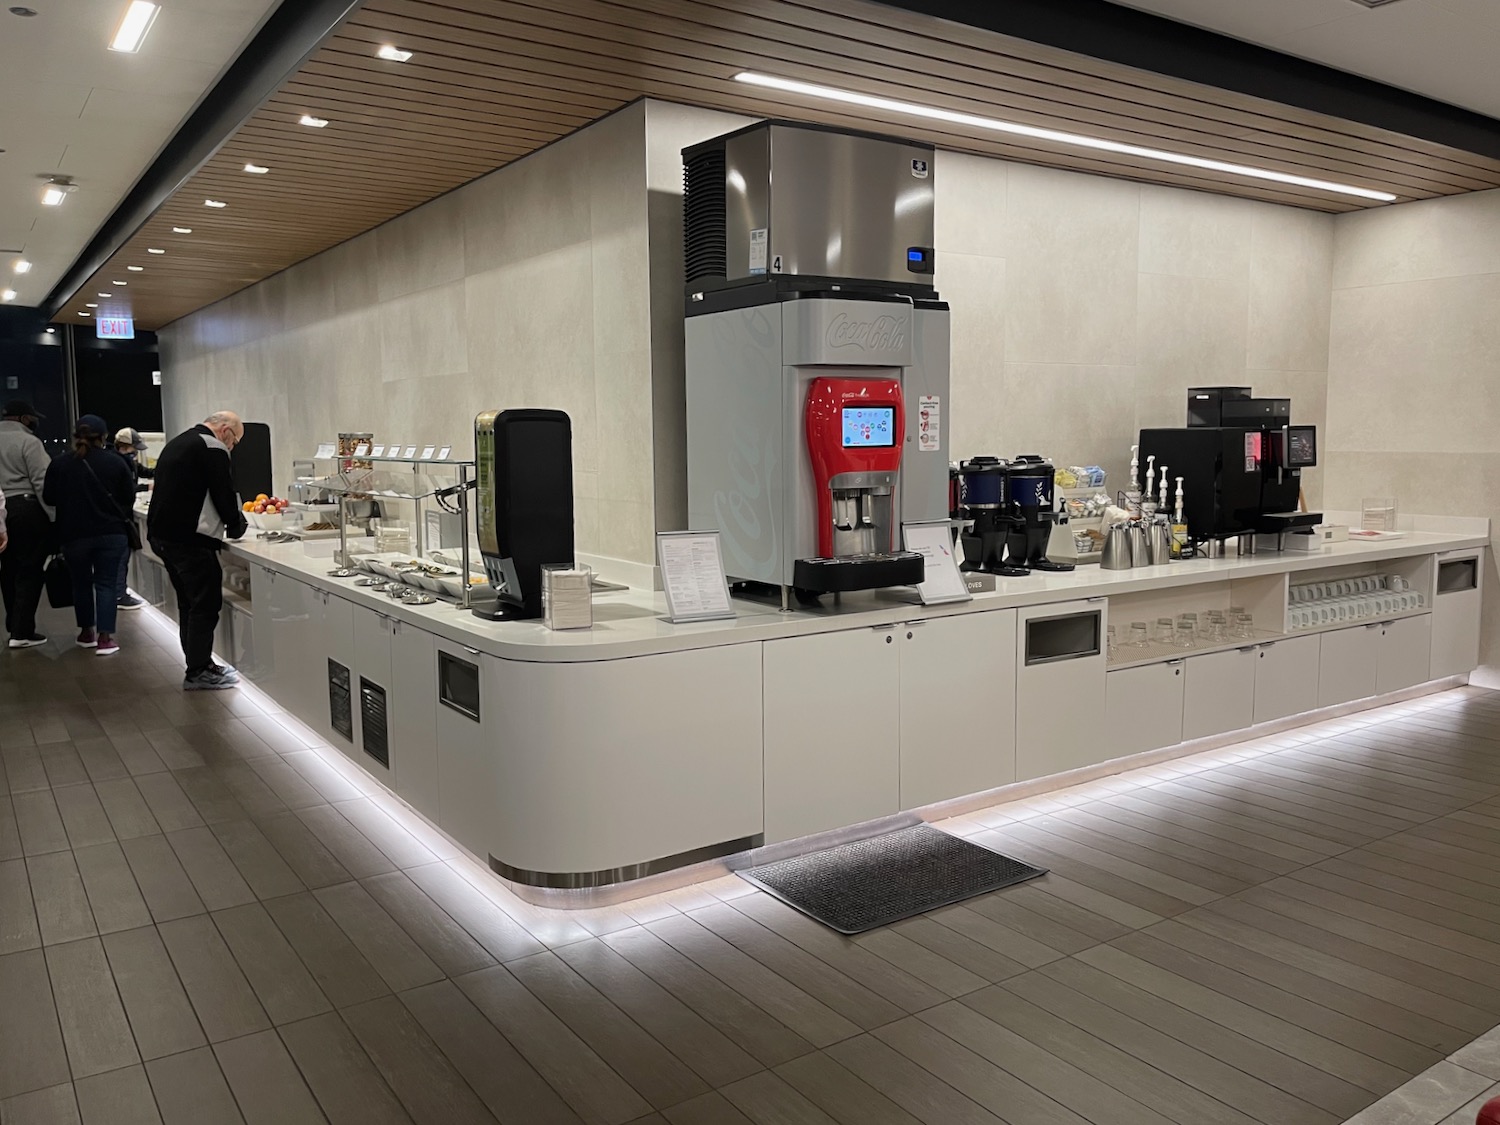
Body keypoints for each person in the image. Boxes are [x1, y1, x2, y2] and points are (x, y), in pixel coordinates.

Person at [147, 410, 248, 689]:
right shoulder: (212, 446)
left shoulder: (178, 441)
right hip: (190, 539)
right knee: (205, 604)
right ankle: (198, 671)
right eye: (235, 441)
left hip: (164, 536)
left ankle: (197, 664)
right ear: (225, 430)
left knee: (188, 603)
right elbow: (223, 491)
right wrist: (236, 524)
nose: (232, 447)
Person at [42, 414, 135, 657]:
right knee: (106, 584)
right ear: (104, 437)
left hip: (73, 535)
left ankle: (86, 633)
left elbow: (49, 498)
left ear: (76, 437)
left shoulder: (60, 464)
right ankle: (105, 639)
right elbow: (128, 498)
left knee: (81, 583)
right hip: (111, 533)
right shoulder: (116, 462)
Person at [0, 399, 53, 649]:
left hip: (1, 509)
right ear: (23, 419)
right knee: (30, 570)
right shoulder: (29, 442)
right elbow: (42, 482)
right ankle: (21, 632)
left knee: (7, 570)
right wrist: (54, 516)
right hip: (25, 508)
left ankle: (13, 624)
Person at [111, 427, 153, 612]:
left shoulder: (130, 463)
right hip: (119, 517)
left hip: (123, 516)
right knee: (121, 556)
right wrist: (146, 488)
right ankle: (119, 594)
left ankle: (119, 591)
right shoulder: (116, 463)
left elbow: (145, 471)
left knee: (123, 555)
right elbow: (126, 489)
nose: (135, 453)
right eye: (132, 449)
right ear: (123, 446)